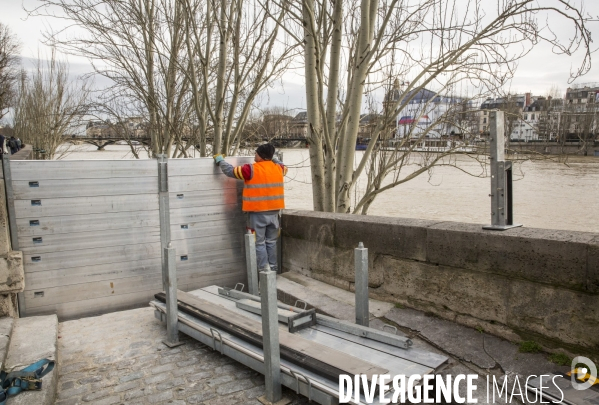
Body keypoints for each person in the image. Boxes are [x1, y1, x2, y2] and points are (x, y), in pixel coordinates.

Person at [214, 144, 287, 273]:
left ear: (261, 156)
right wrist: (273, 159)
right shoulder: (279, 169)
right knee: (271, 242)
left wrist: (220, 161)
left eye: (256, 153)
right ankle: (274, 270)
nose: (254, 155)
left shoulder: (250, 169)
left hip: (257, 213)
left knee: (259, 243)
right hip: (275, 213)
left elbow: (230, 171)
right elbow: (282, 164)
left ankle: (264, 272)